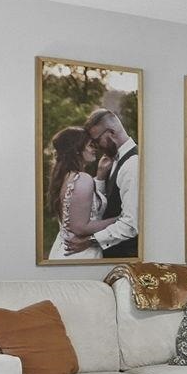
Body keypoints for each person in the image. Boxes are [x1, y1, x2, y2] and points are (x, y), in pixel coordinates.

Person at [69, 108, 138, 257]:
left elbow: (131, 224)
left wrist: (90, 240)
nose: (95, 146)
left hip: (125, 256)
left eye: (96, 140)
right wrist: (100, 177)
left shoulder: (132, 165)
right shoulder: (111, 160)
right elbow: (107, 205)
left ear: (111, 133)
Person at [46, 127, 113, 261]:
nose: (94, 148)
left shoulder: (64, 177)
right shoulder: (82, 178)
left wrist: (100, 177)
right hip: (80, 253)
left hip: (63, 250)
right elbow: (81, 228)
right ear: (77, 149)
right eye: (90, 145)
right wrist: (120, 220)